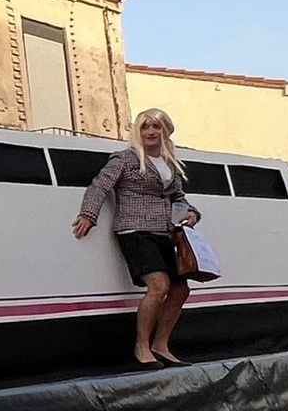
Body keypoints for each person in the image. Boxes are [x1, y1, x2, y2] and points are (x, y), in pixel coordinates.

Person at [73, 107, 202, 368]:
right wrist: (89, 214)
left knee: (180, 289)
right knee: (159, 285)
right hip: (135, 230)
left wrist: (192, 214)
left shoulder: (169, 164)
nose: (151, 132)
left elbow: (178, 197)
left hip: (165, 233)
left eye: (156, 126)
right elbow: (100, 185)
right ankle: (141, 346)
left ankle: (161, 345)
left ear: (165, 130)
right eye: (145, 127)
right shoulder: (126, 158)